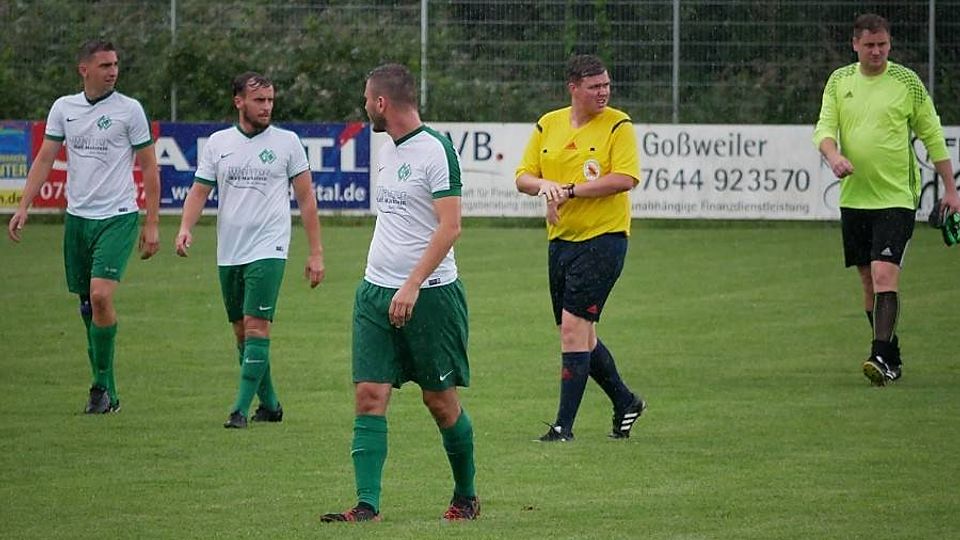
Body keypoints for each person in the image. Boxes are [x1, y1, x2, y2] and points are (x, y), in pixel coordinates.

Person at [321, 63, 478, 523]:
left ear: (381, 102)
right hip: (374, 294)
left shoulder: (436, 150)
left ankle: (466, 496)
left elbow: (451, 226)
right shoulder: (386, 149)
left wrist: (411, 284)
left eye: (366, 99)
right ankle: (366, 505)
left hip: (430, 297)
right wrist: (386, 281)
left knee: (440, 401)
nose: (364, 105)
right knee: (369, 395)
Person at [7, 39, 160, 414]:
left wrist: (152, 222)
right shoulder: (64, 108)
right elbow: (46, 158)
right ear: (84, 69)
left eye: (115, 64)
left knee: (101, 296)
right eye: (105, 65)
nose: (113, 71)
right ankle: (108, 391)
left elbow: (149, 166)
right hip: (78, 220)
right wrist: (23, 206)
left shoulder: (129, 110)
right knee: (88, 305)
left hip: (118, 217)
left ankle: (99, 387)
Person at [813, 13, 960, 386]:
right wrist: (834, 156)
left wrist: (951, 190)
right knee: (868, 280)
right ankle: (890, 354)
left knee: (883, 274)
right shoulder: (840, 81)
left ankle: (879, 355)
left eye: (882, 44)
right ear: (855, 45)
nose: (877, 51)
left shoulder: (907, 82)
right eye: (869, 45)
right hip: (855, 196)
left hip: (896, 197)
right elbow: (824, 130)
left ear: (890, 44)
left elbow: (932, 135)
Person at [175, 72, 325, 428]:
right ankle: (270, 404)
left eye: (270, 100)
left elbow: (306, 198)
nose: (267, 106)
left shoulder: (287, 143)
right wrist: (184, 227)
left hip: (269, 247)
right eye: (259, 100)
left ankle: (239, 410)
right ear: (239, 101)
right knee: (242, 331)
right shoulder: (218, 143)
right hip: (229, 250)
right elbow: (199, 191)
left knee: (257, 326)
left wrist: (316, 251)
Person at [515, 54, 646, 442]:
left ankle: (563, 428)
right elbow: (523, 177)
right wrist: (545, 186)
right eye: (594, 87)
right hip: (561, 240)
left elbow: (624, 179)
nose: (603, 92)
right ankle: (625, 401)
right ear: (573, 88)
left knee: (573, 330)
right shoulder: (548, 123)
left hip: (604, 239)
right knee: (580, 335)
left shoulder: (618, 125)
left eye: (606, 85)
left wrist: (570, 190)